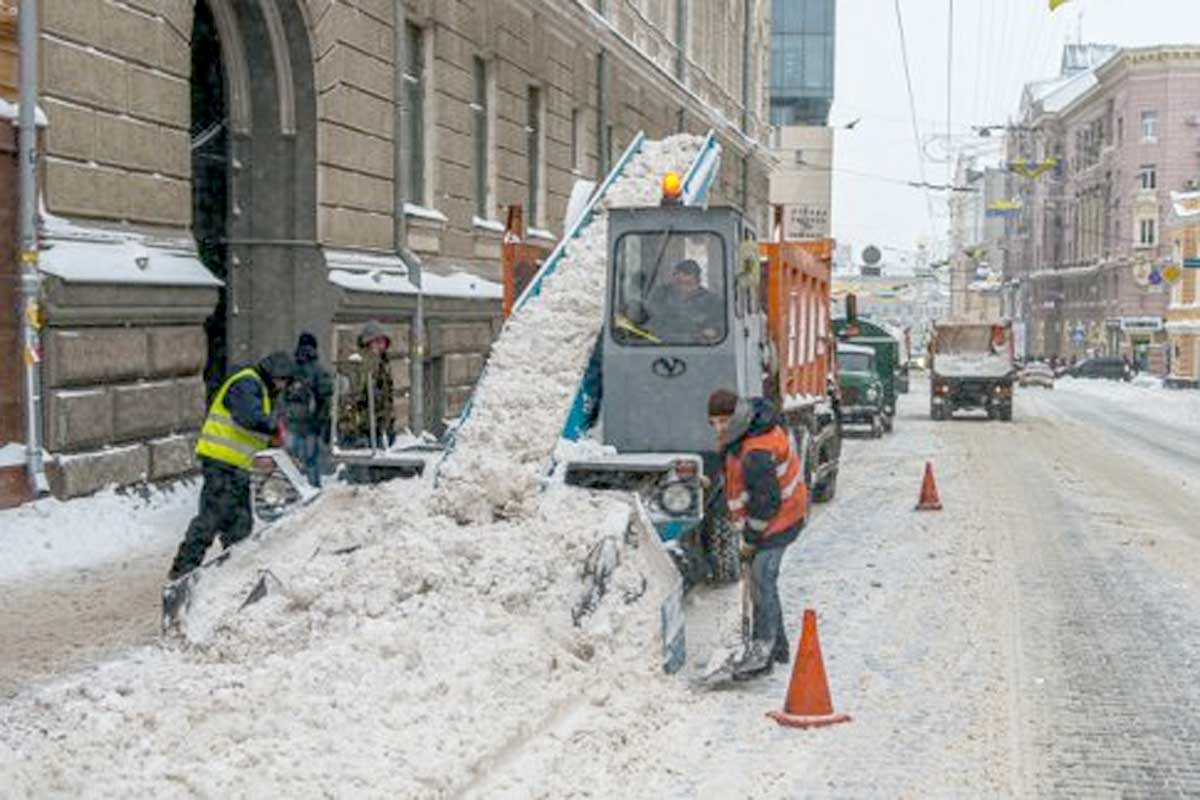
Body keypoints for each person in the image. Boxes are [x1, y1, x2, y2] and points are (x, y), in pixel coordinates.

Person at [168, 351, 295, 581]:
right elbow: (247, 417)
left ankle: (231, 576)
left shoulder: (263, 391)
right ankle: (182, 573)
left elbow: (252, 433)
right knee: (211, 519)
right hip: (221, 463)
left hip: (238, 467)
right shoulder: (246, 383)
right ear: (274, 373)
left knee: (240, 524)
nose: (283, 386)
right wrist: (275, 427)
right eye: (283, 380)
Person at [707, 388, 807, 679]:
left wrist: (750, 539)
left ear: (735, 417)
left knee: (762, 577)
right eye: (713, 423)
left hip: (782, 518)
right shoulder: (743, 432)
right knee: (761, 582)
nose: (718, 429)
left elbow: (766, 504)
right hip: (770, 517)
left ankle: (763, 653)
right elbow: (730, 471)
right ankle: (776, 646)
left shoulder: (757, 452)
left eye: (723, 422)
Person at [337, 320, 395, 450]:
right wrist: (350, 430)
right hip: (361, 431)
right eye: (377, 342)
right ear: (368, 342)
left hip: (376, 429)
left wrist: (389, 424)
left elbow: (387, 397)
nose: (381, 346)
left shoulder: (383, 364)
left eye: (383, 342)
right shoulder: (358, 364)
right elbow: (347, 400)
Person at [285, 332, 333, 488]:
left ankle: (290, 492)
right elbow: (326, 395)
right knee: (312, 461)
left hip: (290, 423)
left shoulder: (290, 367)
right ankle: (312, 491)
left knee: (290, 462)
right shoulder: (318, 370)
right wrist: (323, 422)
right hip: (311, 425)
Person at [644, 259, 724, 343]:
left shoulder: (712, 301)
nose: (682, 288)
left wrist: (714, 331)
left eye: (688, 283)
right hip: (658, 346)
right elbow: (647, 320)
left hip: (698, 348)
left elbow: (720, 327)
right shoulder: (659, 295)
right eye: (678, 282)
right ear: (672, 279)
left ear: (698, 282)